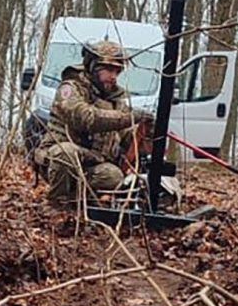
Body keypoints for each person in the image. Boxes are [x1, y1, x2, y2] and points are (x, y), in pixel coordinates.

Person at [33, 40, 154, 207]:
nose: (113, 76)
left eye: (117, 71)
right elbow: (85, 118)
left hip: (93, 161)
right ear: (93, 66)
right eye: (109, 70)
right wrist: (129, 117)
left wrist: (147, 131)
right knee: (66, 153)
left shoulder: (114, 99)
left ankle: (80, 199)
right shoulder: (70, 89)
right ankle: (56, 204)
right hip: (58, 157)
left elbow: (126, 136)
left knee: (114, 176)